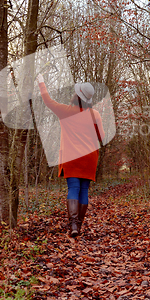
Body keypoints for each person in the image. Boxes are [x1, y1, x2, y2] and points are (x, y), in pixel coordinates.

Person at [37, 74, 105, 237]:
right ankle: (79, 226)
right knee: (84, 191)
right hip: (89, 158)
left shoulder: (66, 111)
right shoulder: (94, 114)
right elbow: (101, 137)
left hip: (71, 157)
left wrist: (41, 82)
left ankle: (73, 226)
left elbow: (48, 101)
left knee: (73, 188)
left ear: (76, 95)